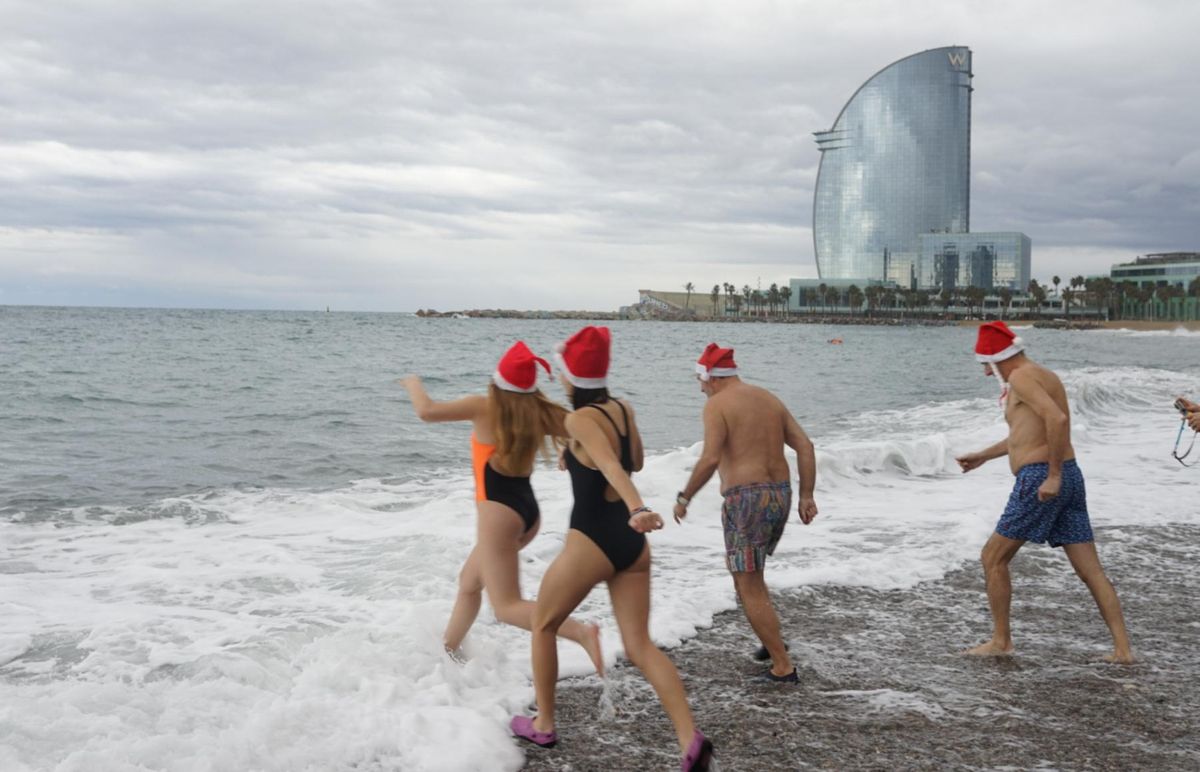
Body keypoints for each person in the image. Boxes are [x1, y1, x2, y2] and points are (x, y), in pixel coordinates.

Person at [510, 326, 713, 772]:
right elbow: (633, 459)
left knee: (544, 624)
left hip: (595, 537)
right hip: (631, 547)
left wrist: (637, 505)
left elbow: (609, 465)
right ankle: (689, 739)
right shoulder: (621, 408)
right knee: (640, 645)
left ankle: (544, 723)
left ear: (570, 377)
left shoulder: (579, 420)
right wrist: (575, 450)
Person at [400, 341, 603, 672]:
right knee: (469, 582)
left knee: (506, 607)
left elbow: (427, 412)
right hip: (526, 512)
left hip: (498, 515)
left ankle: (579, 632)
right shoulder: (538, 412)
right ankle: (449, 652)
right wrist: (570, 447)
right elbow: (584, 429)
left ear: (496, 382)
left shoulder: (483, 407)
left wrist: (412, 383)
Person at [955, 321, 1134, 663]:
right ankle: (1123, 650)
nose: (986, 374)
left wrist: (1050, 476)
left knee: (993, 557)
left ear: (997, 357)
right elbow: (1027, 435)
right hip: (1071, 476)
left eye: (985, 365)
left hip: (1042, 479)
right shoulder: (1042, 375)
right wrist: (982, 455)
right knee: (1090, 570)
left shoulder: (1021, 377)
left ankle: (1001, 640)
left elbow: (1057, 421)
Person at [672, 343, 819, 682]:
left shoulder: (716, 406)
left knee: (747, 581)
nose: (699, 387)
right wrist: (807, 495)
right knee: (749, 575)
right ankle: (771, 643)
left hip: (745, 500)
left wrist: (684, 497)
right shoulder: (767, 398)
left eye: (700, 379)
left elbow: (709, 459)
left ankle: (783, 667)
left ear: (710, 377)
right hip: (780, 495)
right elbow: (805, 446)